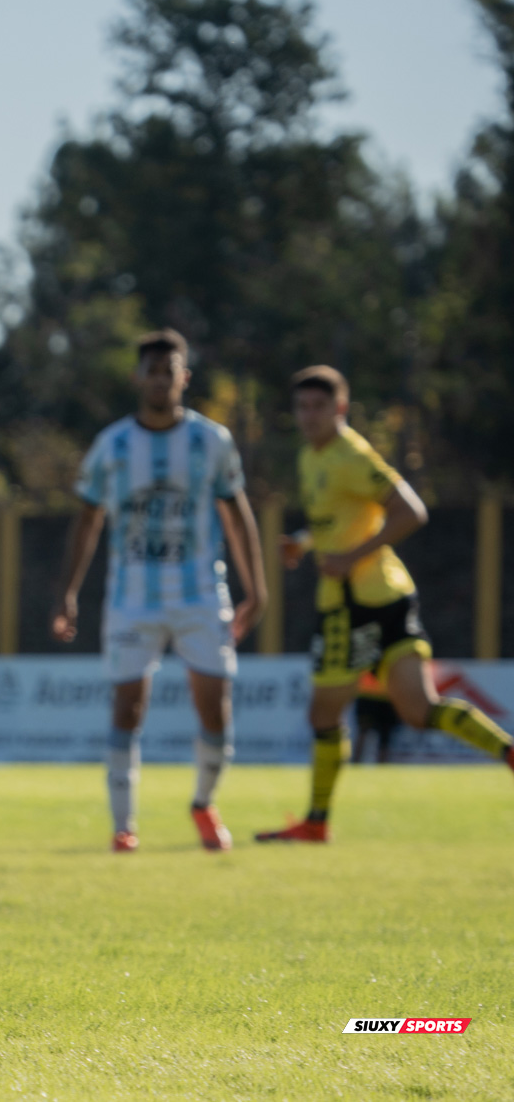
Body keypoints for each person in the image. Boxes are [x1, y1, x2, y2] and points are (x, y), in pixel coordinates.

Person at [256, 365, 514, 842]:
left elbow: (411, 510)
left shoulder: (349, 454)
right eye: (303, 407)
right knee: (419, 710)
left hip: (355, 604)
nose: (310, 415)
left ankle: (316, 822)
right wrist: (305, 542)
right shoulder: (312, 458)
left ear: (341, 409)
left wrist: (350, 557)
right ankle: (509, 752)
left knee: (323, 715)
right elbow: (344, 519)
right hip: (392, 594)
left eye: (320, 407)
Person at [51, 330, 267, 853]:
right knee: (128, 708)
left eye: (169, 372)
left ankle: (203, 803)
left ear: (183, 378)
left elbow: (237, 517)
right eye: (151, 371)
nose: (159, 380)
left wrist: (255, 587)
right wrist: (68, 592)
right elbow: (87, 522)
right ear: (138, 378)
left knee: (215, 707)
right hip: (132, 599)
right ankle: (124, 826)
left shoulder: (211, 441)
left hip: (199, 593)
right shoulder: (113, 445)